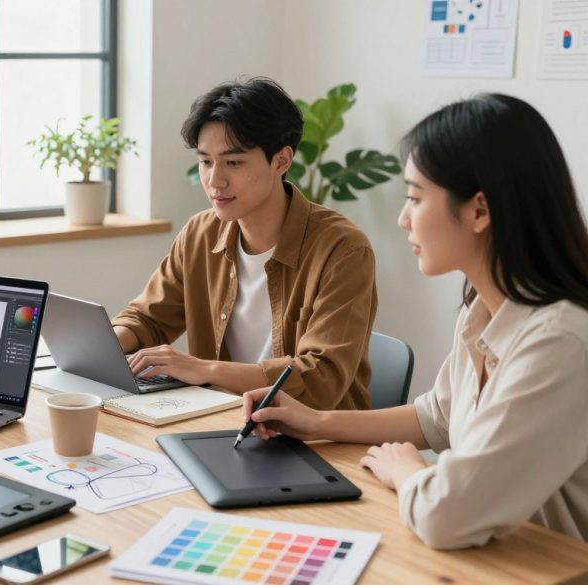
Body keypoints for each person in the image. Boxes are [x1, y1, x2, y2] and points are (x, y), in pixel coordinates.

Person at [242, 93, 588, 548]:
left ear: (479, 211)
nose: (404, 219)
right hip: (491, 559)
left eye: (415, 197)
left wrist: (409, 472)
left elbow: (446, 515)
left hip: (549, 567)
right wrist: (317, 421)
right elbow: (437, 417)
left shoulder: (561, 341)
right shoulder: (482, 309)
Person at [113, 78, 377, 409]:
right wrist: (106, 345)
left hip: (315, 440)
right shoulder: (200, 234)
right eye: (206, 161)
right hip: (221, 422)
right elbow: (148, 319)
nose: (214, 181)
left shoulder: (343, 249)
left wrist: (204, 369)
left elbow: (320, 377)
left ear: (281, 161)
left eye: (233, 162)